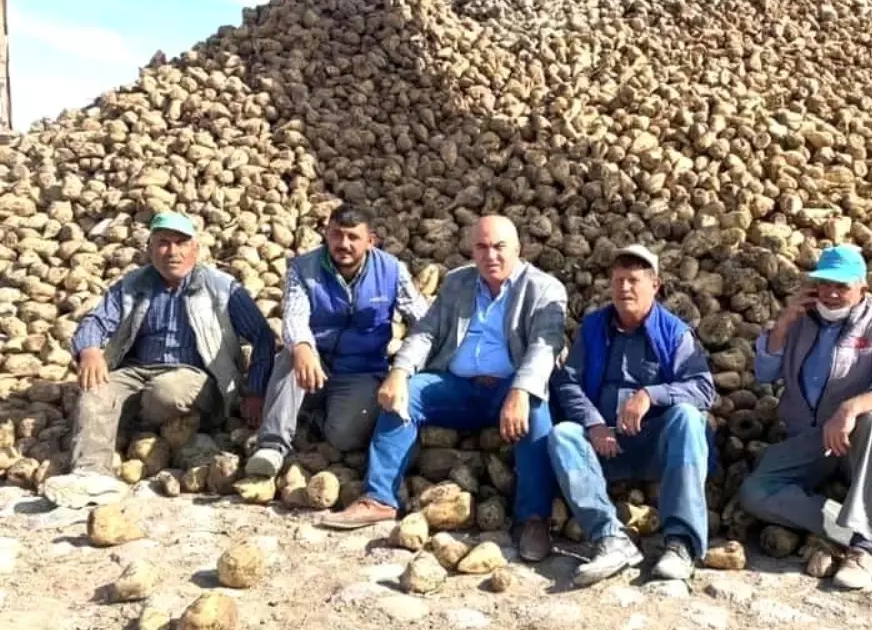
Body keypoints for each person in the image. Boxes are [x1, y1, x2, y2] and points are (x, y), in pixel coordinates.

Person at [321, 216, 567, 564]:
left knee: (537, 410)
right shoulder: (457, 282)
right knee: (408, 393)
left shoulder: (544, 288)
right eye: (481, 247)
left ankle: (533, 518)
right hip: (455, 385)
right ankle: (379, 498)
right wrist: (400, 371)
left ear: (518, 249)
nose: (490, 255)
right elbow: (426, 332)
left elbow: (546, 346)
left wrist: (521, 391)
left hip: (507, 388)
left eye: (499, 247)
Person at [41, 211, 276, 508]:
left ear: (195, 249)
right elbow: (96, 322)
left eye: (181, 243)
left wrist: (255, 391)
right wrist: (88, 351)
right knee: (95, 391)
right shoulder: (133, 284)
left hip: (196, 376)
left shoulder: (221, 288)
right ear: (150, 248)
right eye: (163, 243)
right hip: (137, 371)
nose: (172, 252)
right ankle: (91, 475)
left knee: (166, 392)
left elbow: (263, 337)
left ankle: (132, 423)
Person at [738, 245, 872, 590]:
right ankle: (864, 528)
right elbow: (763, 372)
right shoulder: (799, 321)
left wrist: (851, 408)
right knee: (755, 491)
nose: (832, 294)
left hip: (855, 444)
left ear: (862, 289)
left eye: (842, 287)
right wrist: (782, 327)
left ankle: (863, 550)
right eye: (825, 285)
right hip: (809, 440)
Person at [547, 246, 717, 587]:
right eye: (618, 280)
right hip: (605, 442)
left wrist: (651, 394)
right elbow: (568, 382)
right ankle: (611, 538)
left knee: (687, 416)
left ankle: (680, 543)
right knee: (563, 434)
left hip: (656, 444)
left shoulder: (674, 332)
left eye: (634, 281)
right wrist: (593, 423)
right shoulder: (595, 326)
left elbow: (702, 388)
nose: (625, 288)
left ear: (655, 285)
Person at [245, 206, 428, 476]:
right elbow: (294, 315)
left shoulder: (391, 271)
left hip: (361, 369)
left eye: (353, 237)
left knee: (344, 439)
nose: (344, 244)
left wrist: (407, 365)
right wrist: (303, 347)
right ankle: (272, 446)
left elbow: (422, 320)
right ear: (326, 235)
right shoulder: (303, 268)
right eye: (336, 235)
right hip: (315, 361)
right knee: (290, 356)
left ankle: (310, 418)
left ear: (370, 241)